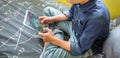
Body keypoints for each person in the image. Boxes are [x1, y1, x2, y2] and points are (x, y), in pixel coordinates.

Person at [38, 0, 110, 58]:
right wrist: (52, 19)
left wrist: (53, 40)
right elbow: (70, 13)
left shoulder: (96, 17)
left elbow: (79, 49)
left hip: (83, 45)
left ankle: (57, 32)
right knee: (47, 11)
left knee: (49, 56)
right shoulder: (80, 1)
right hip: (75, 26)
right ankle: (53, 35)